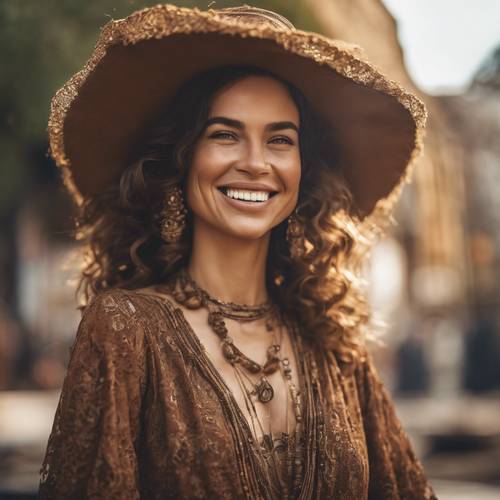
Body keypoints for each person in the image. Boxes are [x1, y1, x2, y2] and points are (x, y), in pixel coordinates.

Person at [39, 4, 436, 499]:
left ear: (301, 171)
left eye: (279, 139)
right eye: (225, 134)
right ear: (180, 160)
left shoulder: (336, 346)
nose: (255, 163)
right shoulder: (125, 328)